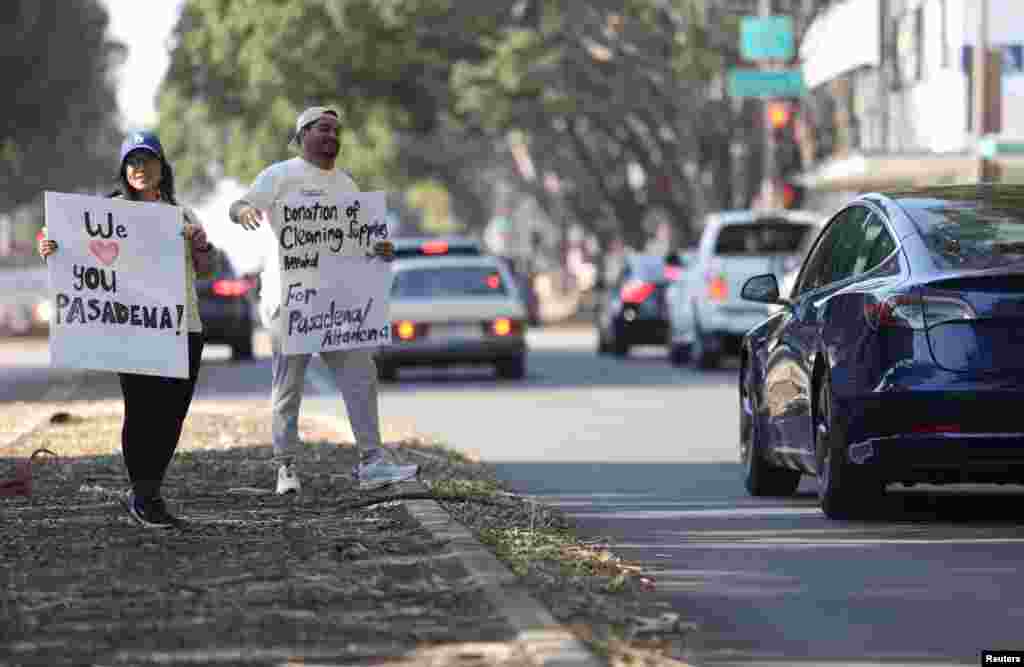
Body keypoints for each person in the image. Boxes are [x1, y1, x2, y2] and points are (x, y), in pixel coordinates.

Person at [228, 106, 418, 495]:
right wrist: (246, 209)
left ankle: (372, 461)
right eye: (322, 129)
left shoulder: (346, 184)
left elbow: (358, 242)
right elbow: (238, 206)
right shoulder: (279, 175)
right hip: (291, 304)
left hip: (340, 307)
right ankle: (286, 468)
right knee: (288, 388)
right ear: (301, 136)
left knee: (361, 376)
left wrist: (379, 249)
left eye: (336, 130)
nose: (331, 136)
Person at [39, 130, 213, 528]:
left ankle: (148, 491)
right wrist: (50, 244)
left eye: (147, 160)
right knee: (142, 411)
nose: (139, 168)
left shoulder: (181, 213)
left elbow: (205, 270)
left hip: (183, 327)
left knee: (172, 415)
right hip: (132, 330)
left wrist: (201, 245)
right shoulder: (106, 214)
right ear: (123, 169)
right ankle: (144, 493)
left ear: (161, 167)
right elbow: (67, 245)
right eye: (132, 162)